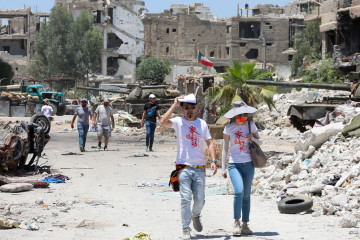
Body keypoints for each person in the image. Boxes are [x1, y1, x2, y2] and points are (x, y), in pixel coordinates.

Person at [160, 94, 217, 240]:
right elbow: (162, 122)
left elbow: (210, 142)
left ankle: (196, 215)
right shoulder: (178, 122)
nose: (189, 110)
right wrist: (174, 105)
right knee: (185, 199)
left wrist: (213, 161)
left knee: (200, 200)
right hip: (183, 167)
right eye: (186, 108)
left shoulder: (202, 124)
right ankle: (186, 228)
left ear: (196, 109)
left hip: (199, 167)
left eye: (192, 107)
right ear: (183, 109)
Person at [221, 101, 263, 236]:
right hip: (234, 164)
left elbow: (261, 141)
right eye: (240, 114)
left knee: (246, 195)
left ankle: (245, 225)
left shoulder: (251, 125)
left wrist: (253, 138)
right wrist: (223, 168)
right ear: (235, 115)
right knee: (238, 192)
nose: (243, 116)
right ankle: (236, 223)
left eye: (245, 114)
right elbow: (225, 149)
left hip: (249, 164)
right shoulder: (228, 128)